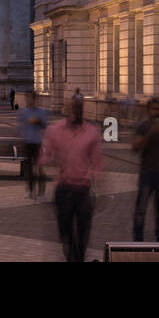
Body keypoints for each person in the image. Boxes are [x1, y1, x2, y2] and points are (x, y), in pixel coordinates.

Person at [38, 93, 103, 262]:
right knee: (65, 232)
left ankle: (78, 258)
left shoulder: (91, 133)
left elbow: (97, 162)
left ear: (83, 109)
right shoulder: (54, 130)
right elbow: (44, 156)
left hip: (83, 189)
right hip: (64, 188)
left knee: (83, 232)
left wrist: (93, 176)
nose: (75, 111)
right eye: (72, 107)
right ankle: (72, 257)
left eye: (79, 107)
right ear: (67, 108)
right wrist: (50, 160)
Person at [131, 96, 159, 242]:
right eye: (154, 109)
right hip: (146, 173)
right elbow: (135, 148)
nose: (157, 113)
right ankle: (138, 240)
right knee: (140, 210)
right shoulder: (142, 127)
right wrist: (150, 134)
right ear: (148, 110)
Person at [17, 98, 48, 201]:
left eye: (33, 100)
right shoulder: (24, 112)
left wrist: (39, 122)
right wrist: (21, 134)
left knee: (39, 168)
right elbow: (20, 126)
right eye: (29, 99)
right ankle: (29, 190)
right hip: (27, 142)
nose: (31, 102)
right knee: (29, 168)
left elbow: (45, 125)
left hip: (37, 142)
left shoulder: (41, 111)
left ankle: (41, 193)